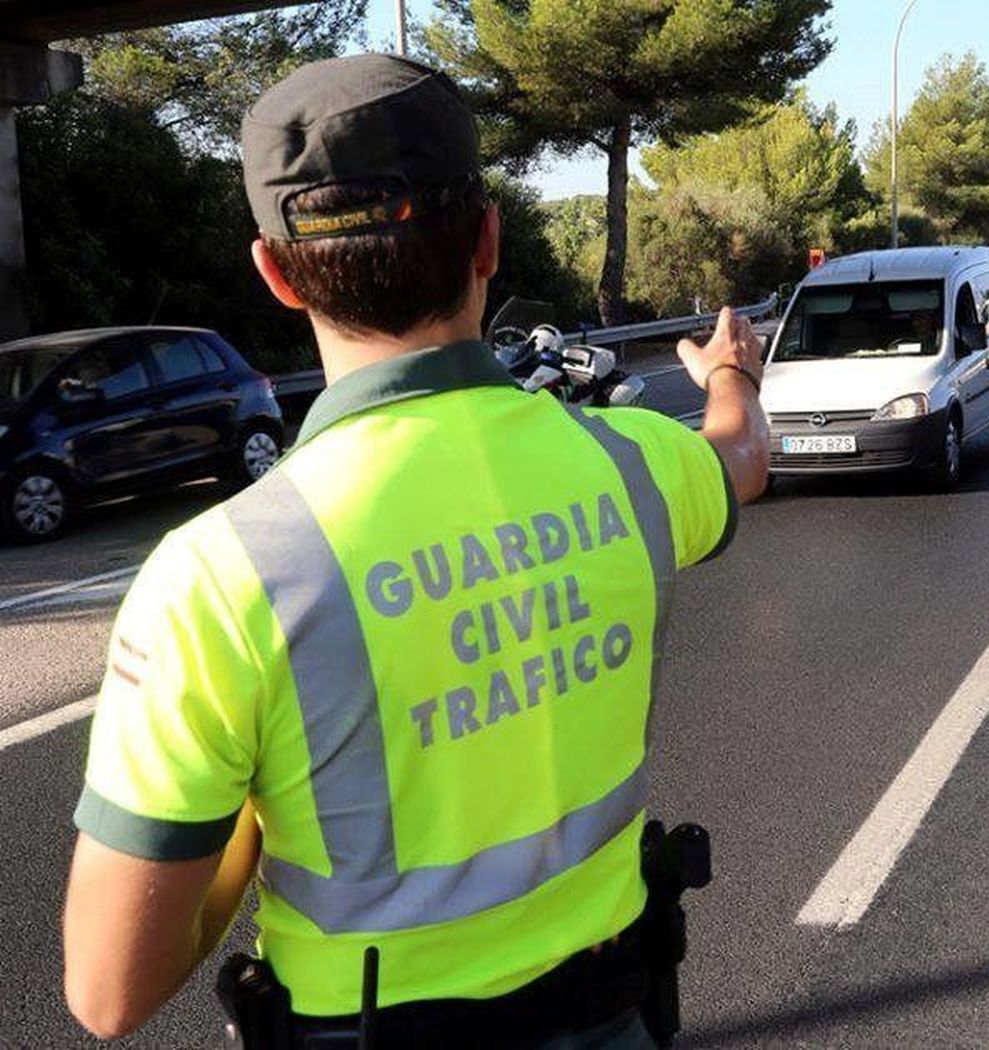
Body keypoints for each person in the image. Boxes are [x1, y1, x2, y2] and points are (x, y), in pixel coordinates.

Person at [61, 54, 768, 1046]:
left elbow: (107, 991)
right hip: (615, 1017)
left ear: (271, 271)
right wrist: (732, 373)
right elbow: (739, 454)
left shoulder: (219, 578)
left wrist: (245, 831)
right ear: (487, 240)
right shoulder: (632, 466)